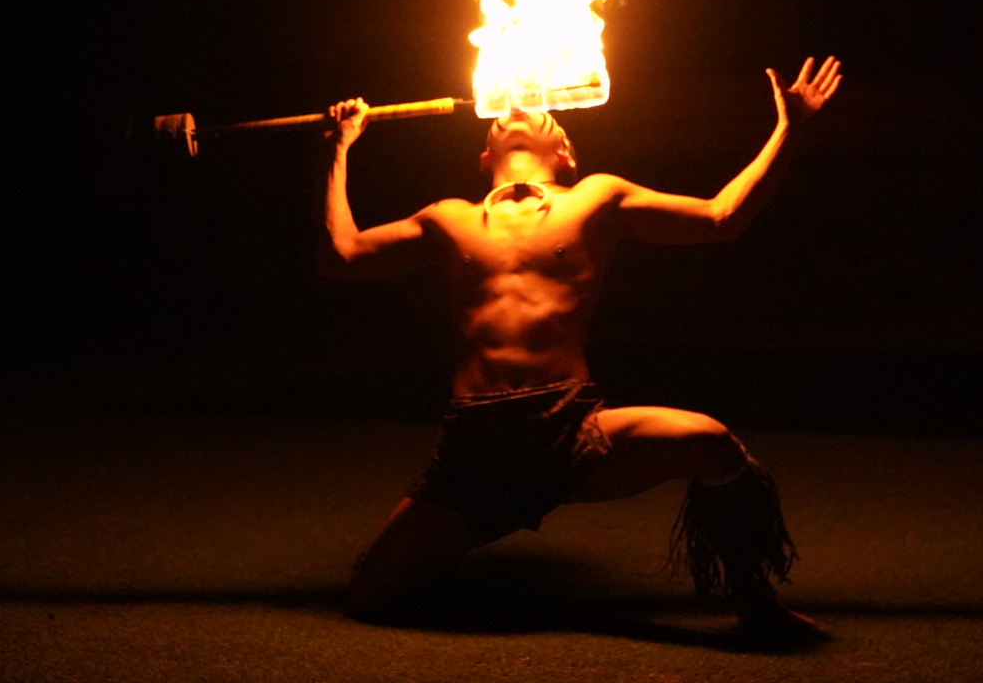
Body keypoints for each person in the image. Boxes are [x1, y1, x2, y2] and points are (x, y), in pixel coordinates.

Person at [321, 56, 842, 639]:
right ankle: (461, 553)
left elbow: (722, 217)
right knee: (369, 597)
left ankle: (753, 601)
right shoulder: (448, 217)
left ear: (567, 154)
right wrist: (340, 147)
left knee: (714, 444)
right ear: (483, 158)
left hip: (571, 428)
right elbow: (344, 255)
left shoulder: (596, 198)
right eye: (507, 111)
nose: (523, 106)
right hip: (475, 444)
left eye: (543, 112)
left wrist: (790, 130)